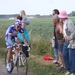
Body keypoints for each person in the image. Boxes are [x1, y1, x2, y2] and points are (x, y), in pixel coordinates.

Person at [58, 10, 75, 75]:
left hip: (71, 42)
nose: (60, 18)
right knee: (64, 55)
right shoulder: (64, 22)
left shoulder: (69, 23)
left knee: (71, 57)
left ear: (63, 17)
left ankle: (73, 71)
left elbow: (74, 32)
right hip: (66, 41)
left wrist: (69, 37)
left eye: (60, 17)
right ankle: (69, 69)